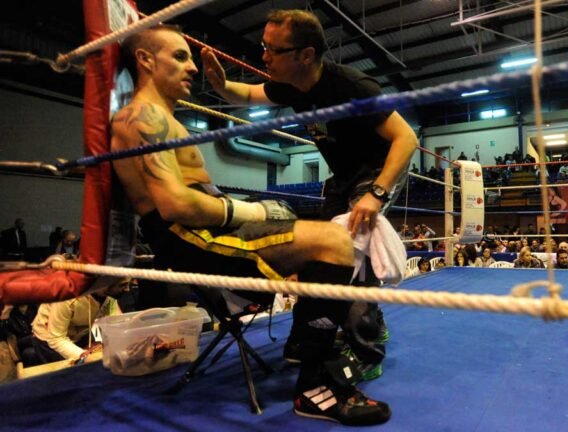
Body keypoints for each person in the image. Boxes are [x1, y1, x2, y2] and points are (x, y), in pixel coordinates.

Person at [112, 25, 390, 425]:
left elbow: (197, 194)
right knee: (333, 243)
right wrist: (254, 212)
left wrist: (249, 207)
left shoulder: (163, 118)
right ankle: (315, 383)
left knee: (334, 237)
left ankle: (310, 349)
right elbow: (174, 204)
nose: (191, 67)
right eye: (179, 56)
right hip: (188, 238)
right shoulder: (141, 116)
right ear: (145, 60)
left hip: (208, 228)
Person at [202, 9, 417, 385]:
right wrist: (221, 86)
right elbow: (249, 93)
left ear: (305, 55)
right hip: (342, 178)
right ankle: (360, 327)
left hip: (377, 171)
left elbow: (407, 138)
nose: (264, 57)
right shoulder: (289, 84)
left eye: (273, 49)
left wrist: (377, 195)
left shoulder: (352, 86)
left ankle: (366, 351)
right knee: (327, 255)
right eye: (263, 47)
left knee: (356, 254)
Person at [20, 277, 130, 366]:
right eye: (122, 285)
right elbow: (56, 338)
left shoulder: (108, 295)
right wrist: (85, 356)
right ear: (104, 283)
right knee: (76, 371)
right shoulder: (68, 296)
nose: (127, 289)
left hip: (78, 333)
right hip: (49, 338)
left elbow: (117, 323)